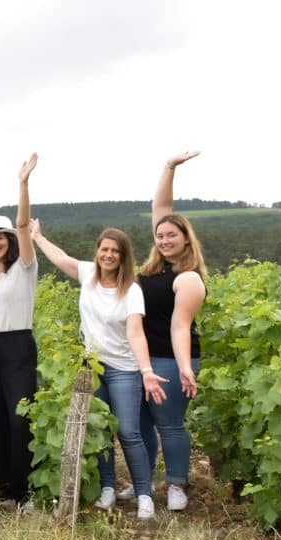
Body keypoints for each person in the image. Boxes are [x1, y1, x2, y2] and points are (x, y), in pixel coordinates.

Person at [30, 218, 169, 520]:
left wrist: (145, 371)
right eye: (104, 249)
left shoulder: (131, 290)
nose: (108, 255)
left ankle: (144, 493)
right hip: (91, 367)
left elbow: (135, 333)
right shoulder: (88, 274)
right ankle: (108, 488)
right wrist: (38, 237)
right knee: (101, 431)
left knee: (129, 431)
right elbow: (61, 258)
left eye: (115, 251)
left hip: (123, 369)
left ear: (123, 256)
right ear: (97, 252)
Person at [112, 151, 207, 512]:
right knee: (141, 425)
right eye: (161, 235)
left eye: (172, 235)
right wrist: (169, 168)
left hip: (170, 359)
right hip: (141, 357)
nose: (165, 239)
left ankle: (178, 484)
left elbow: (179, 326)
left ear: (186, 239)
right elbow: (161, 206)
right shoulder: (153, 270)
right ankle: (144, 482)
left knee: (169, 425)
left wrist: (184, 367)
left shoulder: (189, 278)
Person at [0, 154, 39, 508]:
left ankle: (24, 490)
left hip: (18, 345)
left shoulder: (24, 268)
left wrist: (23, 183)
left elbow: (24, 225)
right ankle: (5, 490)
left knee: (20, 419)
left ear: (9, 240)